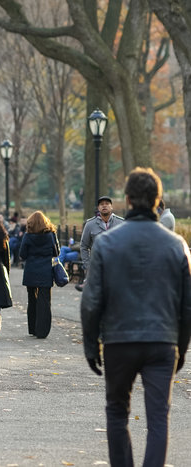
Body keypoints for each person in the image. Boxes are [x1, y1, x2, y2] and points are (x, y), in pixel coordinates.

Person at [80, 167, 191, 467]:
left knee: (117, 412)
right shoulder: (177, 245)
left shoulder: (105, 243)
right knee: (158, 417)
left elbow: (92, 300)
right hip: (162, 340)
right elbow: (186, 306)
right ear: (158, 200)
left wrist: (91, 344)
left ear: (127, 200)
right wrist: (180, 346)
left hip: (119, 340)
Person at [19, 211, 59, 338]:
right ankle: (42, 331)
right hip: (45, 270)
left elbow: (22, 254)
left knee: (32, 300)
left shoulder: (27, 236)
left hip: (31, 270)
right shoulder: (51, 235)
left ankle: (32, 328)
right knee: (45, 301)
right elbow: (56, 252)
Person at [77, 195, 124, 291]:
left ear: (111, 207)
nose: (104, 206)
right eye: (101, 204)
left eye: (107, 204)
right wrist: (88, 265)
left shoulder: (121, 223)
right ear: (98, 208)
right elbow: (83, 246)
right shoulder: (90, 224)